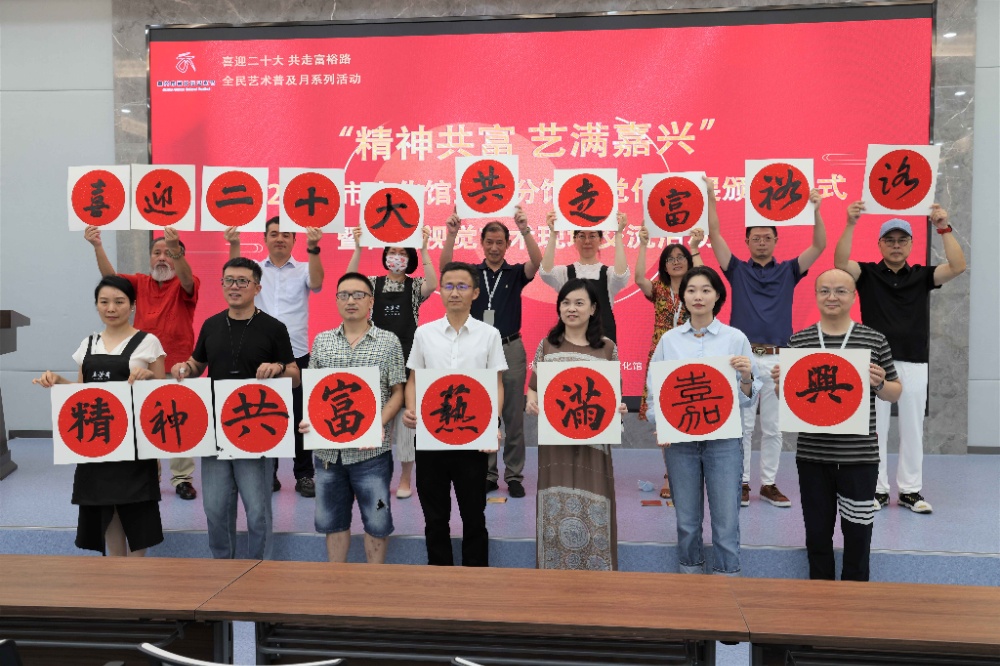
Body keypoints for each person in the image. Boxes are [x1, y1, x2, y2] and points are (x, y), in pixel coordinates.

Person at [834, 203, 965, 514]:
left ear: (910, 244)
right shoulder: (867, 273)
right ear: (880, 244)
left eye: (902, 240)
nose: (896, 245)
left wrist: (943, 227)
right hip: (874, 363)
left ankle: (910, 490)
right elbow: (839, 263)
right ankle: (877, 490)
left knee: (912, 428)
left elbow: (958, 266)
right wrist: (850, 223)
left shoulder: (922, 275)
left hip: (914, 360)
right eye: (889, 240)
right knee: (875, 430)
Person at [773, 268, 902, 581]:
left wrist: (880, 382)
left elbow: (895, 392)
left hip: (859, 458)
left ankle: (855, 600)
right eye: (825, 291)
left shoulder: (873, 339)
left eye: (841, 291)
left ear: (854, 296)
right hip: (813, 456)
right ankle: (821, 599)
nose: (832, 297)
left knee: (858, 536)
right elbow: (788, 399)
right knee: (817, 535)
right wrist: (781, 383)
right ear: (816, 296)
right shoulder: (799, 341)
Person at [706, 179, 826, 508]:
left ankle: (768, 484)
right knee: (743, 426)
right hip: (743, 360)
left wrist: (816, 211)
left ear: (775, 240)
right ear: (746, 241)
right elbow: (715, 234)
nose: (761, 242)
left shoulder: (789, 270)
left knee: (773, 427)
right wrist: (711, 196)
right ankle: (742, 482)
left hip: (778, 360)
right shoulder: (736, 270)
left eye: (767, 237)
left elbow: (819, 246)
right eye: (755, 238)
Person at [171, 257, 299, 560]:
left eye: (242, 281)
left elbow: (295, 376)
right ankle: (222, 567)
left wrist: (278, 367)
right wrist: (184, 368)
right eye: (228, 280)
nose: (234, 286)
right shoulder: (211, 324)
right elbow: (197, 364)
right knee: (215, 508)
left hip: (256, 429)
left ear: (257, 287)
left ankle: (259, 569)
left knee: (257, 511)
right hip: (215, 429)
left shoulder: (274, 328)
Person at [33, 276, 165, 556]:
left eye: (119, 302)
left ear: (132, 305)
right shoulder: (88, 344)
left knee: (138, 514)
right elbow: (82, 393)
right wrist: (57, 381)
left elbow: (160, 399)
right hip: (98, 440)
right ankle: (116, 572)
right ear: (96, 305)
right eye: (104, 302)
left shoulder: (149, 342)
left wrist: (149, 377)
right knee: (107, 512)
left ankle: (138, 575)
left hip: (135, 445)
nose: (111, 308)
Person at [646, 266, 760, 576]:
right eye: (692, 290)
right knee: (686, 522)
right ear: (683, 296)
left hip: (724, 443)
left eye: (706, 290)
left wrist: (747, 376)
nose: (698, 296)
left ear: (718, 296)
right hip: (680, 442)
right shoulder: (670, 341)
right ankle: (690, 581)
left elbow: (749, 399)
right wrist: (660, 422)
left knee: (726, 522)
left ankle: (727, 583)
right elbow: (655, 388)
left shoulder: (735, 338)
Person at [402, 262, 507, 567]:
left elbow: (496, 384)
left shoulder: (489, 335)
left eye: (462, 286)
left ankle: (475, 577)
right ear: (440, 291)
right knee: (435, 516)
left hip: (473, 438)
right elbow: (414, 380)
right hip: (431, 438)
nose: (455, 293)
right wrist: (411, 409)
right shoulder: (424, 333)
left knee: (474, 514)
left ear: (475, 292)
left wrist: (493, 423)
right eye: (448, 286)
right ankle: (440, 575)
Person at [84, 225, 200, 500]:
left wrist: (176, 249)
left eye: (168, 253)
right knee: (146, 421)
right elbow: (111, 279)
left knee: (178, 422)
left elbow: (186, 278)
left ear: (178, 256)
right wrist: (97, 245)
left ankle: (182, 478)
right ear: (149, 258)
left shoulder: (187, 282)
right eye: (157, 253)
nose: (162, 257)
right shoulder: (139, 283)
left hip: (177, 366)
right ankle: (150, 476)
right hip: (141, 366)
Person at [299, 273, 406, 564]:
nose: (351, 301)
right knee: (332, 522)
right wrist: (310, 419)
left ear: (371, 301)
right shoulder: (322, 342)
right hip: (328, 454)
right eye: (344, 295)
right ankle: (336, 582)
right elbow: (314, 393)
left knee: (377, 519)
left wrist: (376, 423)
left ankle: (374, 583)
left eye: (359, 295)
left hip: (371, 454)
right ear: (336, 301)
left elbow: (398, 392)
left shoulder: (388, 342)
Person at [438, 207, 541, 498]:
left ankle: (515, 475)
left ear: (507, 245)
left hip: (510, 347)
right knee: (482, 411)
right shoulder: (473, 274)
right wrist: (451, 234)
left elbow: (538, 262)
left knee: (513, 416)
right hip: (476, 348)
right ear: (481, 244)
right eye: (489, 242)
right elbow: (446, 270)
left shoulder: (516, 272)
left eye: (499, 243)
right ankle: (488, 473)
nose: (494, 248)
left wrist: (525, 228)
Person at [526, 279, 626, 571]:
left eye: (579, 303)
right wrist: (532, 402)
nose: (571, 309)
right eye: (566, 303)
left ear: (593, 309)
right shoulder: (548, 345)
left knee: (595, 500)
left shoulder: (607, 347)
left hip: (594, 442)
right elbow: (533, 388)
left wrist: (619, 408)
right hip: (555, 441)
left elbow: (614, 395)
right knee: (555, 499)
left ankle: (597, 571)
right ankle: (553, 571)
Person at [226, 218, 324, 498]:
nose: (279, 238)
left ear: (294, 240)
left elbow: (317, 284)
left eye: (286, 235)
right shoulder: (255, 272)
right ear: (265, 238)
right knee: (263, 414)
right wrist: (234, 244)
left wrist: (314, 248)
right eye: (273, 234)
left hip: (297, 354)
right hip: (261, 356)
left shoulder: (304, 268)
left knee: (300, 418)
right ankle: (268, 474)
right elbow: (236, 276)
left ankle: (304, 474)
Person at [347, 225, 437, 499]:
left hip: (408, 361)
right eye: (392, 252)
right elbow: (350, 283)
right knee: (374, 420)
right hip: (377, 360)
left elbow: (433, 284)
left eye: (402, 253)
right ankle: (373, 475)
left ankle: (406, 479)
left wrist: (424, 248)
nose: (396, 256)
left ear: (409, 258)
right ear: (385, 255)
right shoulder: (373, 284)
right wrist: (358, 248)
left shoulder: (415, 286)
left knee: (407, 423)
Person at [635, 227, 705, 500]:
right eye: (670, 259)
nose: (676, 262)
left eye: (680, 257)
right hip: (663, 356)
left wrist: (695, 246)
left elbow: (705, 276)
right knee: (665, 417)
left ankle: (694, 471)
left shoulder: (696, 290)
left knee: (693, 411)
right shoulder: (658, 289)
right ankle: (669, 473)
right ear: (664, 266)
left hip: (692, 353)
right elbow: (638, 278)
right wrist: (643, 245)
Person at [539, 211, 630, 342]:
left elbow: (621, 276)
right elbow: (545, 273)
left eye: (592, 236)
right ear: (575, 240)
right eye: (582, 236)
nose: (587, 241)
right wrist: (553, 234)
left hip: (602, 341)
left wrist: (618, 234)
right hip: (570, 341)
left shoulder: (609, 274)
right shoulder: (564, 273)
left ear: (601, 240)